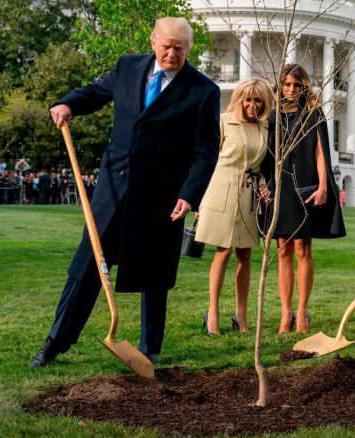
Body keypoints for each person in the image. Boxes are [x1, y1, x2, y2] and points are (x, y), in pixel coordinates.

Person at [30, 17, 221, 368]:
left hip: (162, 197)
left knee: (155, 273)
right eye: (166, 46)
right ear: (153, 43)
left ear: (189, 49)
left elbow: (206, 151)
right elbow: (95, 92)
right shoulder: (127, 67)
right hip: (114, 188)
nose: (172, 53)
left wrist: (189, 194)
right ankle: (55, 341)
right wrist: (69, 103)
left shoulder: (203, 91)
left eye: (180, 48)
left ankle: (150, 350)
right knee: (87, 266)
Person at [261, 64, 345, 334]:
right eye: (286, 84)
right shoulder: (272, 116)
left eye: (297, 85)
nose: (291, 89)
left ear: (304, 87)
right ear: (280, 85)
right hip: (280, 185)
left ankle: (303, 311)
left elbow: (321, 153)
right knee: (283, 248)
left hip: (306, 184)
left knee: (302, 248)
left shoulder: (313, 114)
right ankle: (286, 314)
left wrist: (323, 187)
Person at [196, 79, 273, 335]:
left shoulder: (266, 127)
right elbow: (206, 160)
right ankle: (213, 313)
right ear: (239, 98)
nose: (252, 104)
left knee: (245, 254)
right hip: (221, 189)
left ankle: (241, 314)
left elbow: (259, 166)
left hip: (249, 194)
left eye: (258, 100)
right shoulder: (223, 120)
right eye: (248, 99)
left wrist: (263, 185)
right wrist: (197, 196)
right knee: (223, 250)